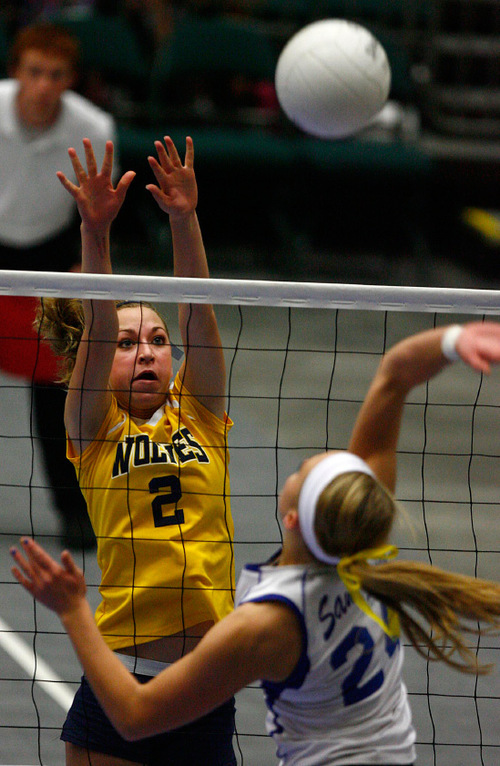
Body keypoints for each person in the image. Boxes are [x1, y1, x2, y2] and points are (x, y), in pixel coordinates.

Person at [11, 320, 500, 765]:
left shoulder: (267, 621)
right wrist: (457, 340)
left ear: (290, 517)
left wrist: (73, 608)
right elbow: (394, 375)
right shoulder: (362, 556)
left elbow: (136, 716)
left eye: (305, 470)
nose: (304, 462)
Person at [32, 135, 236, 766]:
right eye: (128, 344)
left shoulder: (199, 414)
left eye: (154, 340)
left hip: (206, 682)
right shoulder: (93, 431)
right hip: (123, 671)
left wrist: (184, 217)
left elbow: (197, 312)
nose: (146, 350)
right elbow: (95, 322)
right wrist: (96, 233)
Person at [0, 22, 117, 549]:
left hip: (51, 259)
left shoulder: (94, 127)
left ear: (71, 80)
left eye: (56, 74)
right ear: (15, 71)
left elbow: (95, 212)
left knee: (58, 393)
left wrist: (81, 263)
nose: (44, 84)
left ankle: (72, 510)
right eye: (34, 72)